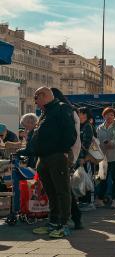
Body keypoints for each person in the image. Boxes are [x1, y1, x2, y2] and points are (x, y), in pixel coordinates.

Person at [30, 87, 77, 238]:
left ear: (43, 96)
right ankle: (53, 221)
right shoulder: (46, 111)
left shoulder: (62, 109)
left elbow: (70, 133)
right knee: (51, 192)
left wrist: (63, 151)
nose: (35, 102)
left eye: (36, 98)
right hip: (43, 158)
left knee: (61, 191)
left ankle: (64, 224)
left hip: (56, 156)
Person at [50, 87, 84, 229]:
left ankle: (73, 218)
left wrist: (66, 153)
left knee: (63, 189)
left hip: (65, 154)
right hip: (67, 153)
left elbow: (70, 136)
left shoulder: (65, 111)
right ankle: (73, 217)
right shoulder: (68, 110)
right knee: (63, 188)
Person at [77, 107, 96, 211]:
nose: (77, 115)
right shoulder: (80, 126)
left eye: (79, 113)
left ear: (84, 114)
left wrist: (83, 158)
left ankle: (90, 203)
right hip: (80, 158)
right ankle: (83, 201)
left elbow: (87, 144)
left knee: (89, 179)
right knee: (81, 180)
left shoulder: (88, 126)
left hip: (87, 158)